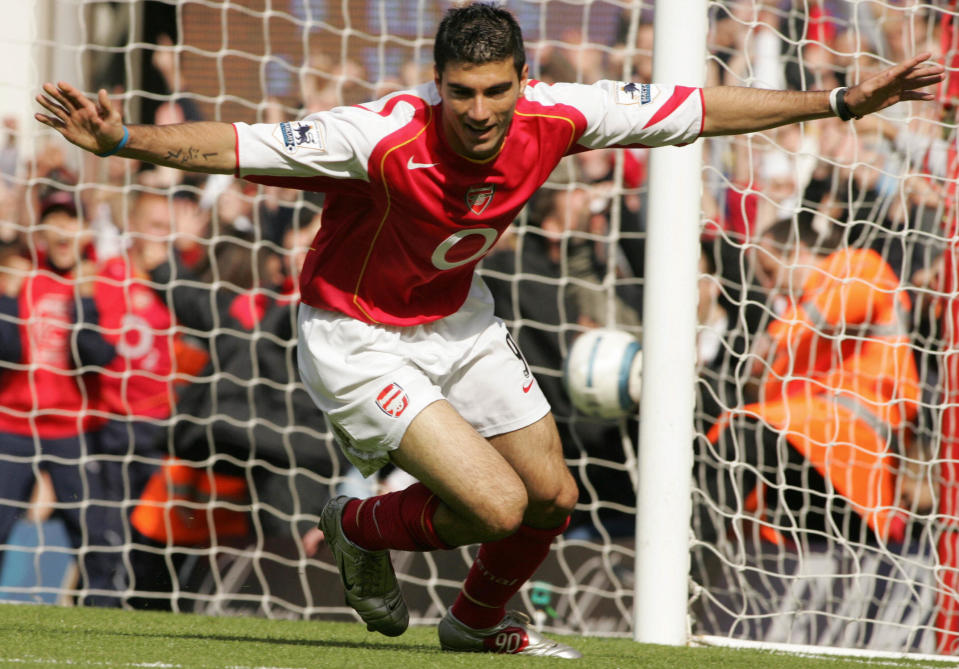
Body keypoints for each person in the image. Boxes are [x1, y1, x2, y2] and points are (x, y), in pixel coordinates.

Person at [34, 2, 943, 658]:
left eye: (495, 91)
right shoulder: (379, 134)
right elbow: (241, 142)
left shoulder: (557, 116)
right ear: (438, 86)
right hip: (356, 335)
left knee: (551, 500)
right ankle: (355, 522)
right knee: (497, 506)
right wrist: (123, 144)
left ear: (520, 81)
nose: (478, 111)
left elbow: (699, 110)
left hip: (460, 324)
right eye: (461, 92)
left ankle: (473, 623)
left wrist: (835, 107)